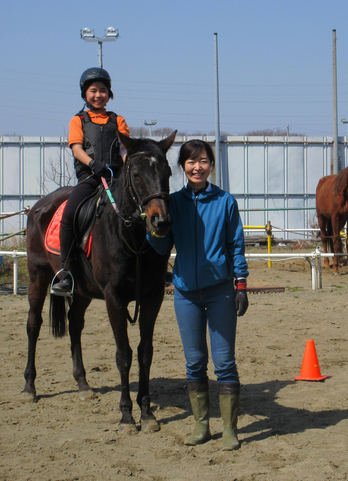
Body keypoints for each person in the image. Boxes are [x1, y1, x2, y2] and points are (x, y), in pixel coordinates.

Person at [147, 140, 249, 451]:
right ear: (182, 167)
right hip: (185, 295)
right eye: (191, 161)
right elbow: (164, 248)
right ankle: (201, 424)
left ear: (211, 165)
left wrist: (241, 283)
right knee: (194, 363)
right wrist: (152, 230)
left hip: (220, 292)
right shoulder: (173, 203)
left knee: (224, 362)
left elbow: (236, 245)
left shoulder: (225, 202)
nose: (197, 167)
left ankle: (230, 429)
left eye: (203, 161)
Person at [52, 67, 130, 294]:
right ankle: (65, 271)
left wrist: (128, 166)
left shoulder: (119, 120)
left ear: (109, 93)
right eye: (93, 91)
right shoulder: (78, 120)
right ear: (85, 94)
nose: (98, 95)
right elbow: (77, 149)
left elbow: (124, 150)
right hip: (90, 177)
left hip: (115, 179)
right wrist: (93, 164)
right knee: (69, 214)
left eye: (103, 91)